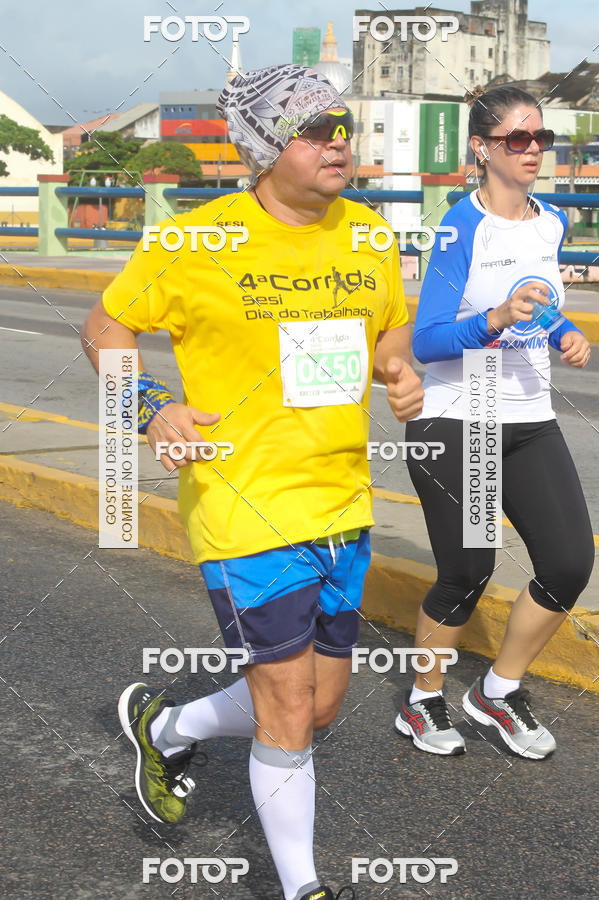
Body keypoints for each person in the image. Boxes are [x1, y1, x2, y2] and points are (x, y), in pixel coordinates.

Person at [82, 64, 423, 900]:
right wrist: (151, 406)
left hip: (342, 500)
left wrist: (399, 374)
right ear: (265, 147)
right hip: (241, 505)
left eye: (342, 125)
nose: (337, 141)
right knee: (284, 709)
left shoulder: (371, 237)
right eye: (313, 129)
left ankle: (163, 724)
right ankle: (303, 887)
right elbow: (104, 325)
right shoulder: (198, 241)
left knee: (318, 707)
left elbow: (388, 339)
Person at [394, 85, 594, 759]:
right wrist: (496, 320)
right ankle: (423, 702)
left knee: (569, 562)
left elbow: (538, 302)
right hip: (463, 415)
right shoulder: (460, 227)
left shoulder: (551, 222)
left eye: (542, 138)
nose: (534, 149)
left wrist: (563, 330)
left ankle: (497, 692)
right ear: (481, 149)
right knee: (469, 568)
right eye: (518, 139)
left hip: (530, 417)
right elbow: (427, 341)